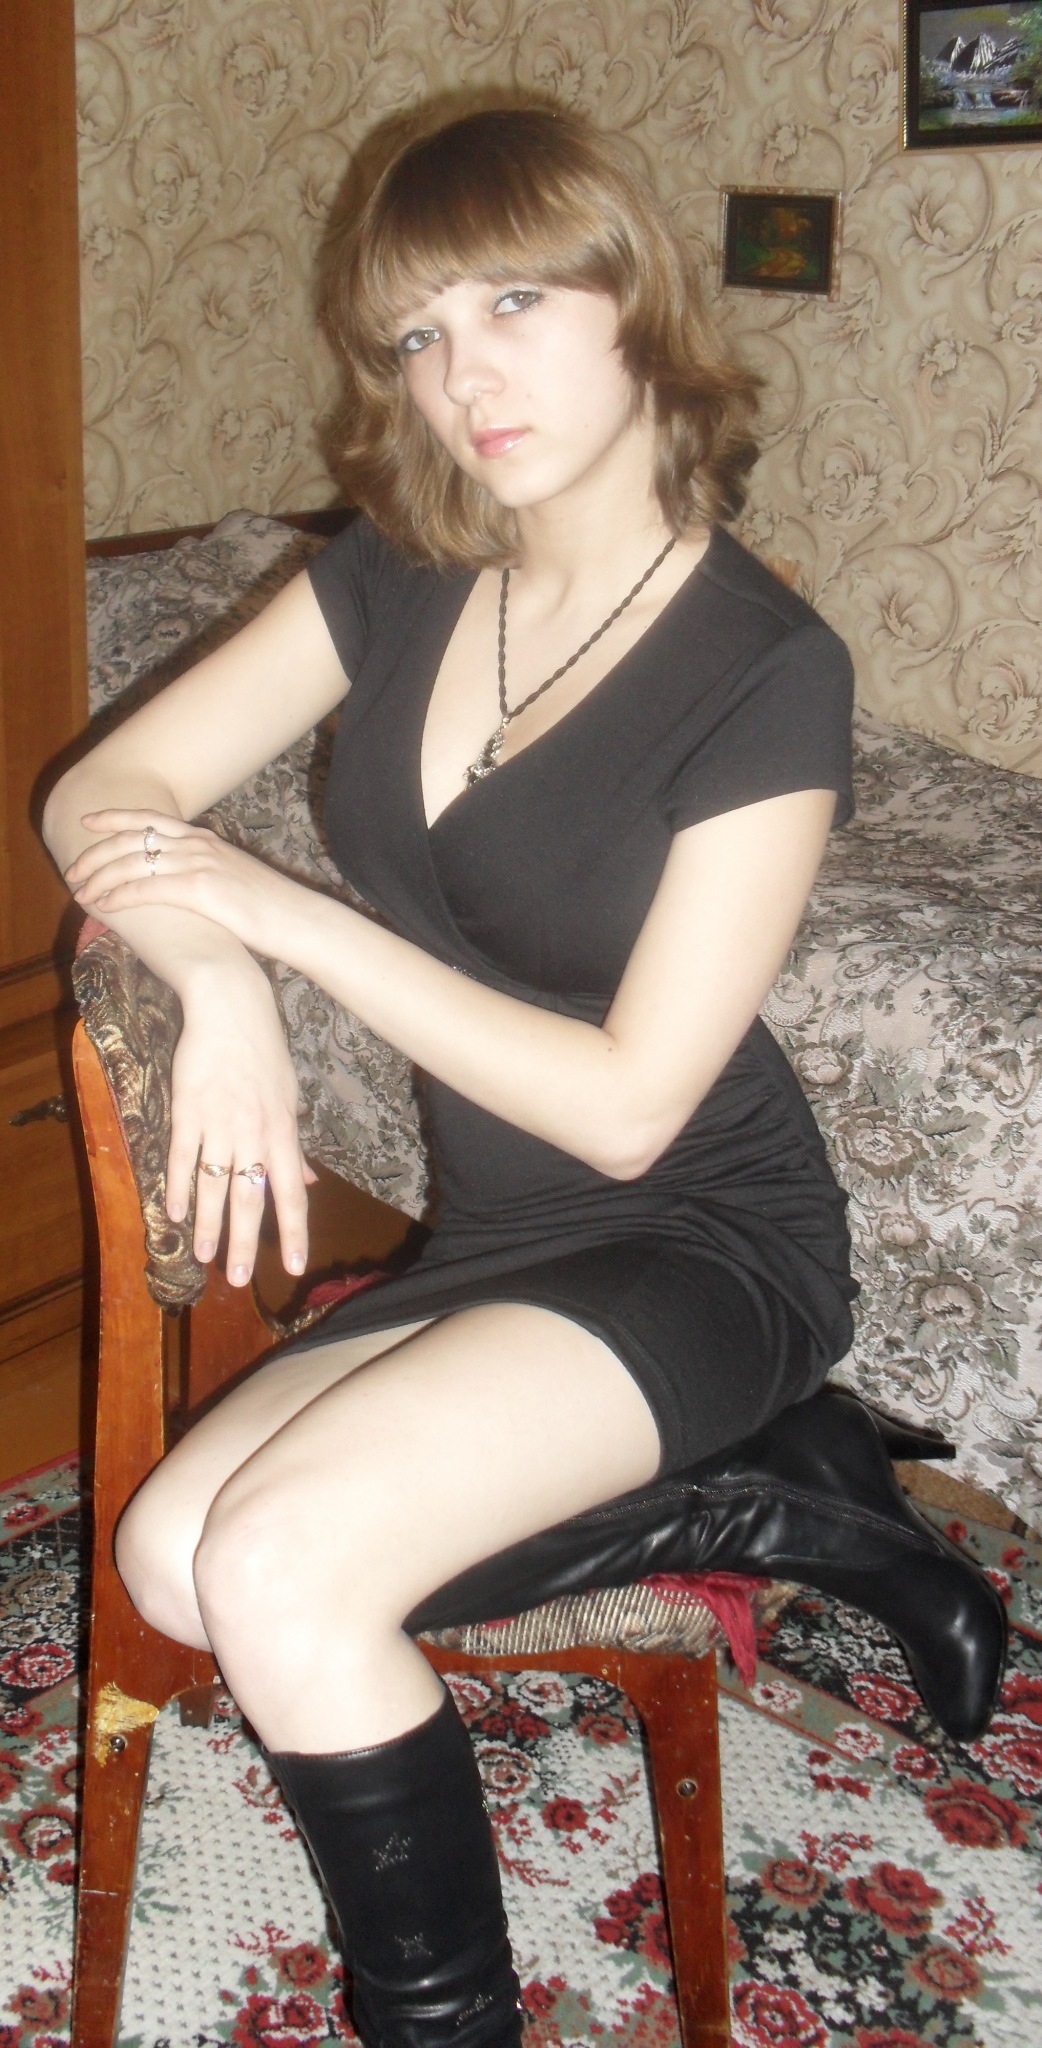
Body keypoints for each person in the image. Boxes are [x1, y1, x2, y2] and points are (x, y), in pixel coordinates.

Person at [45, 106, 1004, 2048]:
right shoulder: (399, 572)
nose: (460, 376)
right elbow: (105, 788)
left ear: (632, 301)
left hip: (693, 1230)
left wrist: (290, 923)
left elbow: (630, 1108)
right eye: (414, 335)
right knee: (173, 1554)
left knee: (286, 1565)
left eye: (510, 305)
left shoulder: (765, 671)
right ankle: (787, 1496)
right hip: (500, 1230)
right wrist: (214, 969)